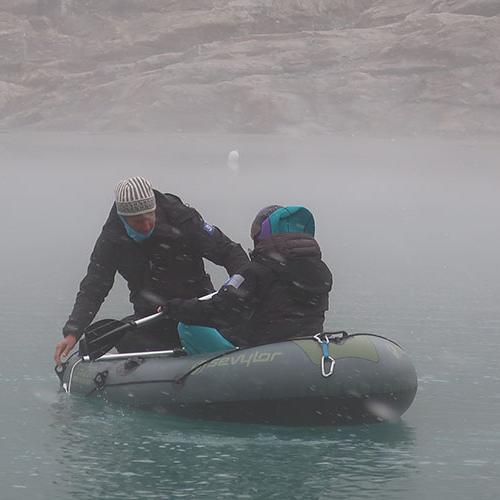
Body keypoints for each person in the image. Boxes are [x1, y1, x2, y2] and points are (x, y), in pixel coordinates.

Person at [54, 176, 249, 364]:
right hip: (152, 317)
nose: (146, 225)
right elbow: (94, 287)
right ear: (123, 218)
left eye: (149, 216)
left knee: (234, 324)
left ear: (155, 208)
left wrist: (238, 288)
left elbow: (229, 252)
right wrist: (73, 331)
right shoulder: (112, 239)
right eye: (137, 221)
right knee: (126, 338)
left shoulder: (181, 218)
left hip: (196, 307)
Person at [161, 205, 333, 353]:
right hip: (304, 349)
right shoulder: (320, 271)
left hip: (266, 353)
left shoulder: (256, 272)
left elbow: (220, 310)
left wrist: (175, 308)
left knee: (187, 327)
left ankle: (209, 377)